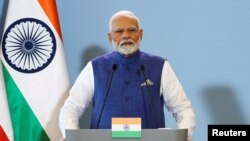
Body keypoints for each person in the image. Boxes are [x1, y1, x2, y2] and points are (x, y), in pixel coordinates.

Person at [59, 10, 196, 141]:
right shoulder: (95, 67)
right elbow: (71, 108)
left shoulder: (159, 66)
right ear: (110, 37)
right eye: (119, 31)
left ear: (140, 34)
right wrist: (72, 137)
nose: (126, 35)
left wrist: (185, 135)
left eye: (131, 30)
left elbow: (182, 108)